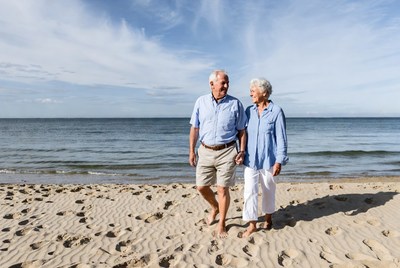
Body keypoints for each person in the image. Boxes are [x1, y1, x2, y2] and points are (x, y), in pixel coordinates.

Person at [189, 70, 247, 238]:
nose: (226, 86)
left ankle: (222, 222)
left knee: (222, 189)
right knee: (201, 186)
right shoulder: (201, 102)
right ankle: (214, 207)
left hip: (228, 151)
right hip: (205, 150)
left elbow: (242, 130)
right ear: (212, 84)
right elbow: (194, 128)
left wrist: (242, 151)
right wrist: (191, 151)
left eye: (227, 82)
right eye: (223, 82)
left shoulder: (235, 104)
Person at [241, 77, 289, 238]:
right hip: (250, 160)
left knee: (268, 190)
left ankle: (268, 218)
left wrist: (279, 161)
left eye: (253, 91)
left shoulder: (276, 111)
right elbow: (242, 134)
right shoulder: (249, 111)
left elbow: (281, 137)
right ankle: (252, 224)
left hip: (269, 159)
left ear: (264, 92)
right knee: (249, 192)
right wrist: (239, 152)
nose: (250, 94)